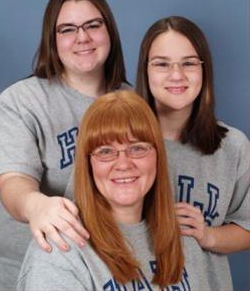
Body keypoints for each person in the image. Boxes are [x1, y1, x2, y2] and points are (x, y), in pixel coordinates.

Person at [0, 0, 129, 291]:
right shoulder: (22, 100)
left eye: (93, 25)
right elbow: (12, 183)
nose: (82, 37)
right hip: (20, 270)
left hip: (101, 273)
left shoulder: (132, 103)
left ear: (110, 31)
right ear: (52, 41)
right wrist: (35, 205)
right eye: (67, 29)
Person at [17, 90, 211, 291]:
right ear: (88, 163)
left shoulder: (183, 237)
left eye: (137, 148)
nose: (123, 164)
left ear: (158, 155)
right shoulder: (61, 247)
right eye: (105, 152)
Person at [136, 16, 250, 291]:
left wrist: (208, 235)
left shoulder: (232, 146)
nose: (177, 75)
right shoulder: (120, 143)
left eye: (188, 63)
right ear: (146, 71)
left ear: (204, 70)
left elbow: (247, 228)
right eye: (162, 64)